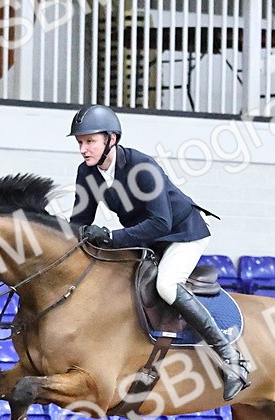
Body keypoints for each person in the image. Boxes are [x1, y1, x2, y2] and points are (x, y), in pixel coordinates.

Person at [67, 104, 250, 401]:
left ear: (111, 139)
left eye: (90, 141)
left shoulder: (142, 167)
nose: (83, 149)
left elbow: (160, 221)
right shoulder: (86, 172)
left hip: (181, 233)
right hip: (147, 238)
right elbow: (79, 221)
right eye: (80, 142)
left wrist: (111, 237)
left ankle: (231, 360)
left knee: (166, 285)